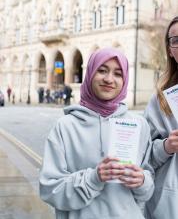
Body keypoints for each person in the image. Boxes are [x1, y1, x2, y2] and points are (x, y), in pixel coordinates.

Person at [39, 47, 154, 219]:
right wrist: (94, 178)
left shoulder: (139, 125)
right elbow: (50, 189)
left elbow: (148, 188)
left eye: (118, 73)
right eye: (102, 70)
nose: (109, 79)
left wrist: (142, 182)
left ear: (125, 80)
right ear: (90, 73)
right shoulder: (65, 127)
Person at [144, 16, 178, 219]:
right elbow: (143, 156)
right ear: (171, 51)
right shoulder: (160, 99)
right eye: (175, 40)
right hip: (169, 205)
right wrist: (167, 146)